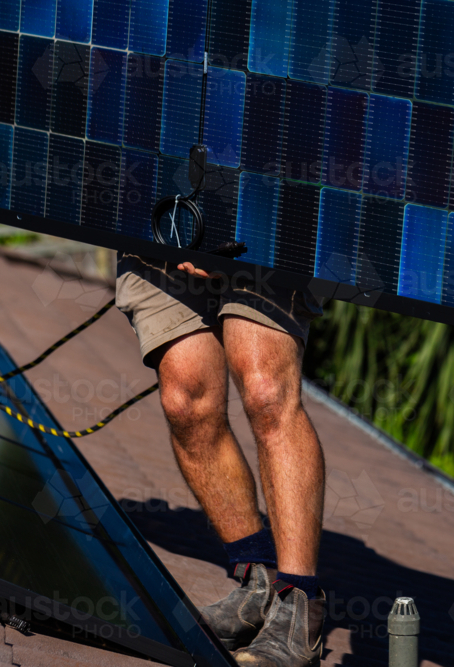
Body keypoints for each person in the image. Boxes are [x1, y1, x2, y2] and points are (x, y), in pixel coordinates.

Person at [115, 251, 327, 667]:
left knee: (266, 391)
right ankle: (258, 581)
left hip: (266, 226)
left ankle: (299, 604)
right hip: (158, 230)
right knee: (185, 402)